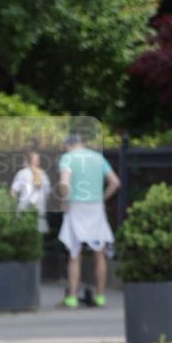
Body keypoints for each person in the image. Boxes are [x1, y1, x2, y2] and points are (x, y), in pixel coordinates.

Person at [57, 132, 120, 307]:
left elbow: (64, 184)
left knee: (74, 253)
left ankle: (72, 297)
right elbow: (115, 182)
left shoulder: (68, 158)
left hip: (76, 206)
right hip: (96, 207)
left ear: (69, 145)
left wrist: (64, 200)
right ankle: (100, 296)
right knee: (99, 253)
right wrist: (103, 197)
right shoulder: (98, 158)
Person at [10, 142, 51, 233]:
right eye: (36, 159)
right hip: (27, 211)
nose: (38, 161)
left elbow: (47, 194)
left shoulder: (43, 175)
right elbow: (13, 191)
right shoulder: (23, 173)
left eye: (38, 159)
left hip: (36, 212)